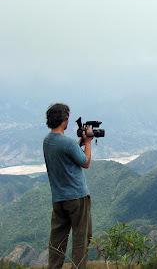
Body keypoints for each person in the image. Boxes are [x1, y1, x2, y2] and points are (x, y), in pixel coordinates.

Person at [43, 103, 94, 269]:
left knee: (57, 240)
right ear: (64, 120)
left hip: (58, 199)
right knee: (81, 239)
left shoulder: (47, 141)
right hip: (77, 198)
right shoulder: (67, 143)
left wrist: (79, 142)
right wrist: (88, 142)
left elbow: (67, 154)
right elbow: (85, 162)